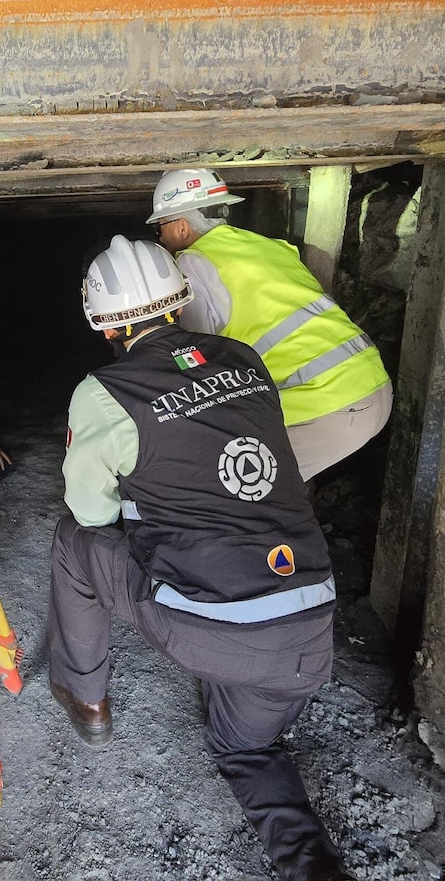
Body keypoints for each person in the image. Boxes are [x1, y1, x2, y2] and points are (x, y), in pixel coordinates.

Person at [49, 235, 354, 881]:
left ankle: (89, 700)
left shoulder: (107, 392)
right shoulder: (244, 359)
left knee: (75, 545)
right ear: (178, 300)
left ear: (103, 323)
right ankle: (313, 867)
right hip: (307, 634)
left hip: (208, 631)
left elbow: (92, 511)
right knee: (243, 746)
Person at [146, 168, 392, 481]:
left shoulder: (192, 264)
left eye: (160, 229)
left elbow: (195, 361)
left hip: (329, 405)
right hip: (371, 386)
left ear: (181, 227)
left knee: (224, 485)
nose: (161, 238)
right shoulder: (270, 247)